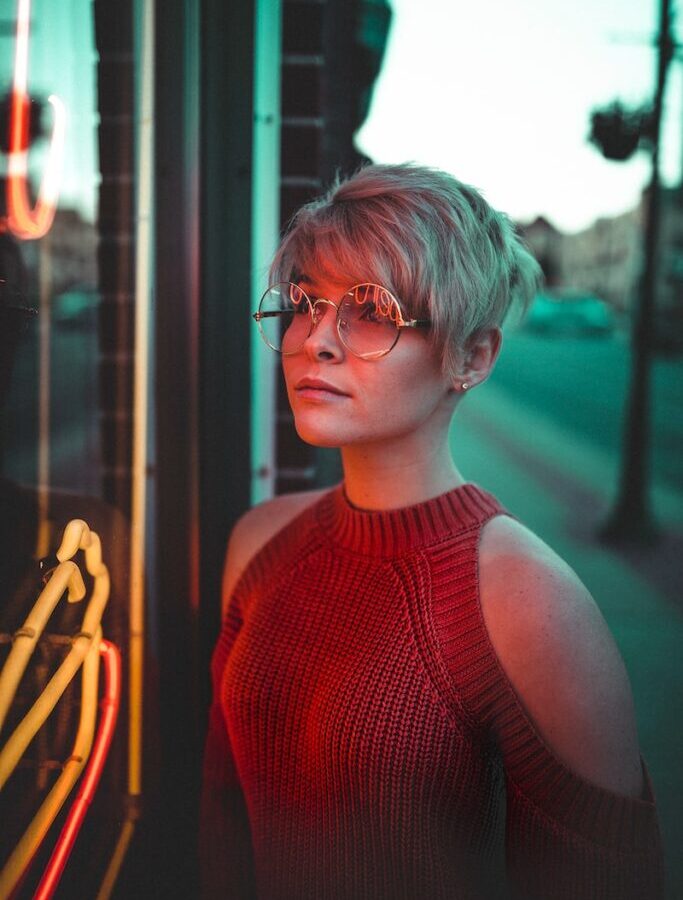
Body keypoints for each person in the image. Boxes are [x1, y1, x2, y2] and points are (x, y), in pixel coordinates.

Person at [200, 163, 664, 899]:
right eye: (304, 303)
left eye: (372, 312)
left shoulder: (529, 604)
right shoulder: (258, 545)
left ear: (471, 357)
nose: (315, 341)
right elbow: (223, 830)